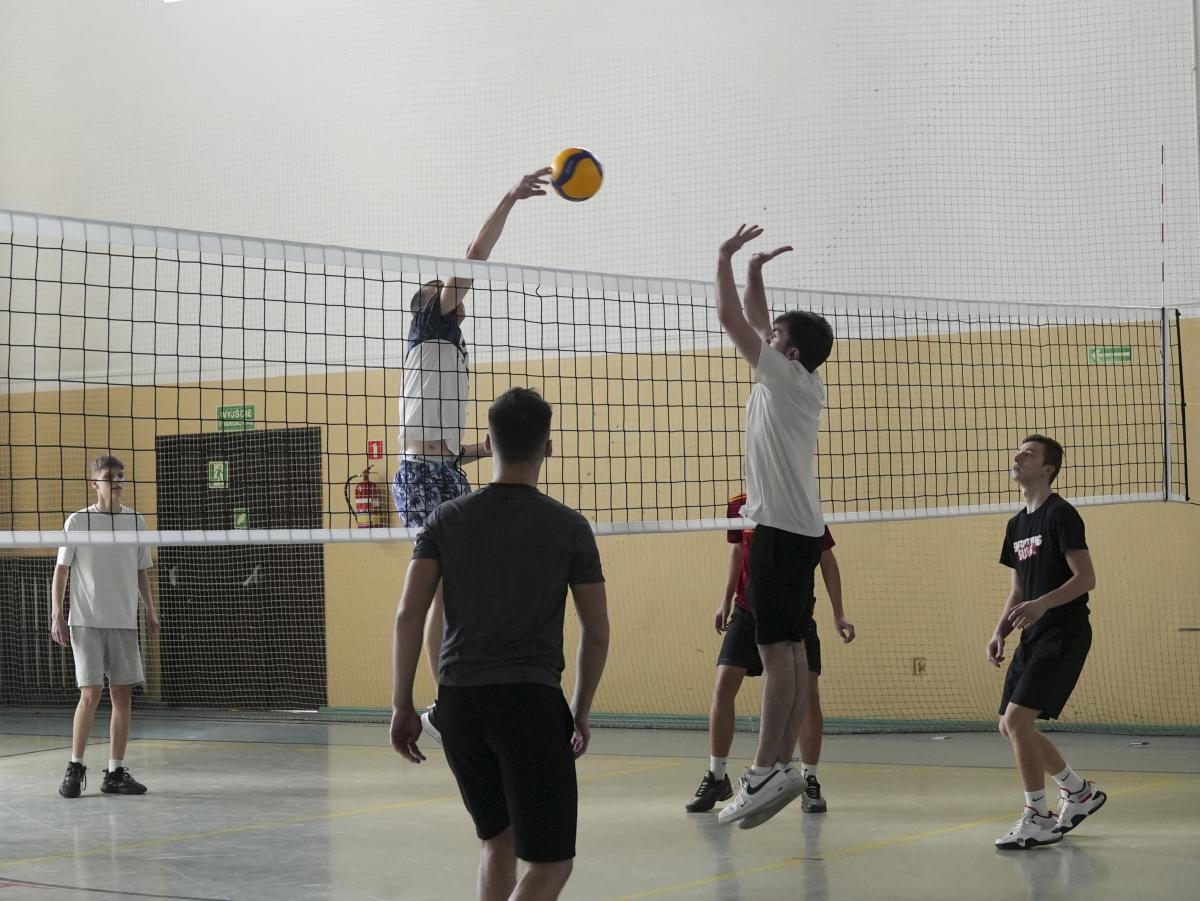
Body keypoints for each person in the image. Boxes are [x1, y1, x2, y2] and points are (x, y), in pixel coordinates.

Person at [391, 387, 610, 901]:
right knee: (551, 865)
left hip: (460, 706)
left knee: (498, 840)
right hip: (530, 704)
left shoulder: (445, 519)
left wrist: (402, 705)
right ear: (547, 448)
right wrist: (578, 711)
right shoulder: (570, 527)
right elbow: (597, 631)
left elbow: (409, 614)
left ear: (488, 443)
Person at [394, 168, 552, 718]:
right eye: (440, 289)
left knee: (466, 585)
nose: (450, 291)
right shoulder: (431, 324)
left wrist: (479, 453)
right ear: (429, 304)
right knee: (439, 588)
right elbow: (473, 256)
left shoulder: (450, 351)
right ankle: (446, 704)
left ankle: (466, 685)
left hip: (446, 471)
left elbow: (442, 445)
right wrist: (509, 197)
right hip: (420, 476)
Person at [712, 224, 835, 828]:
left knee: (776, 652)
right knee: (789, 649)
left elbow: (731, 320)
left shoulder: (783, 377)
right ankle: (781, 767)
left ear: (789, 352)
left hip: (779, 532)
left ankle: (764, 768)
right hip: (799, 530)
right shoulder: (798, 377)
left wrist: (724, 258)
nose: (769, 336)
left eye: (778, 336)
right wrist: (755, 271)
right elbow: (760, 323)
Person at [686, 492, 855, 815]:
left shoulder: (799, 501)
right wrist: (725, 601)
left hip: (795, 613)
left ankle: (808, 778)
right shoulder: (738, 505)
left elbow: (826, 558)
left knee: (808, 696)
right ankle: (717, 776)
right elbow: (738, 551)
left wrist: (839, 613)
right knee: (723, 687)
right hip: (747, 610)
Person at [988, 434, 1106, 850]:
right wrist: (1000, 631)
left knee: (1018, 722)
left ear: (1047, 469)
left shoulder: (1062, 514)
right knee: (1008, 725)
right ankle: (1078, 792)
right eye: (1018, 450)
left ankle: (1037, 816)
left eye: (1028, 454)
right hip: (1033, 634)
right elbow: (1019, 590)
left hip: (1064, 631)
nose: (1017, 457)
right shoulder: (1016, 525)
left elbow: (1086, 578)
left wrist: (1043, 604)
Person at [51, 455, 159, 798]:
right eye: (109, 476)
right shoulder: (78, 521)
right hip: (86, 621)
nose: (117, 481)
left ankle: (114, 772)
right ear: (94, 483)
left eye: (120, 476)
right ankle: (75, 766)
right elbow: (61, 570)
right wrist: (56, 613)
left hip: (124, 621)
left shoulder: (136, 521)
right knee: (90, 694)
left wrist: (150, 610)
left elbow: (141, 570)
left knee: (123, 695)